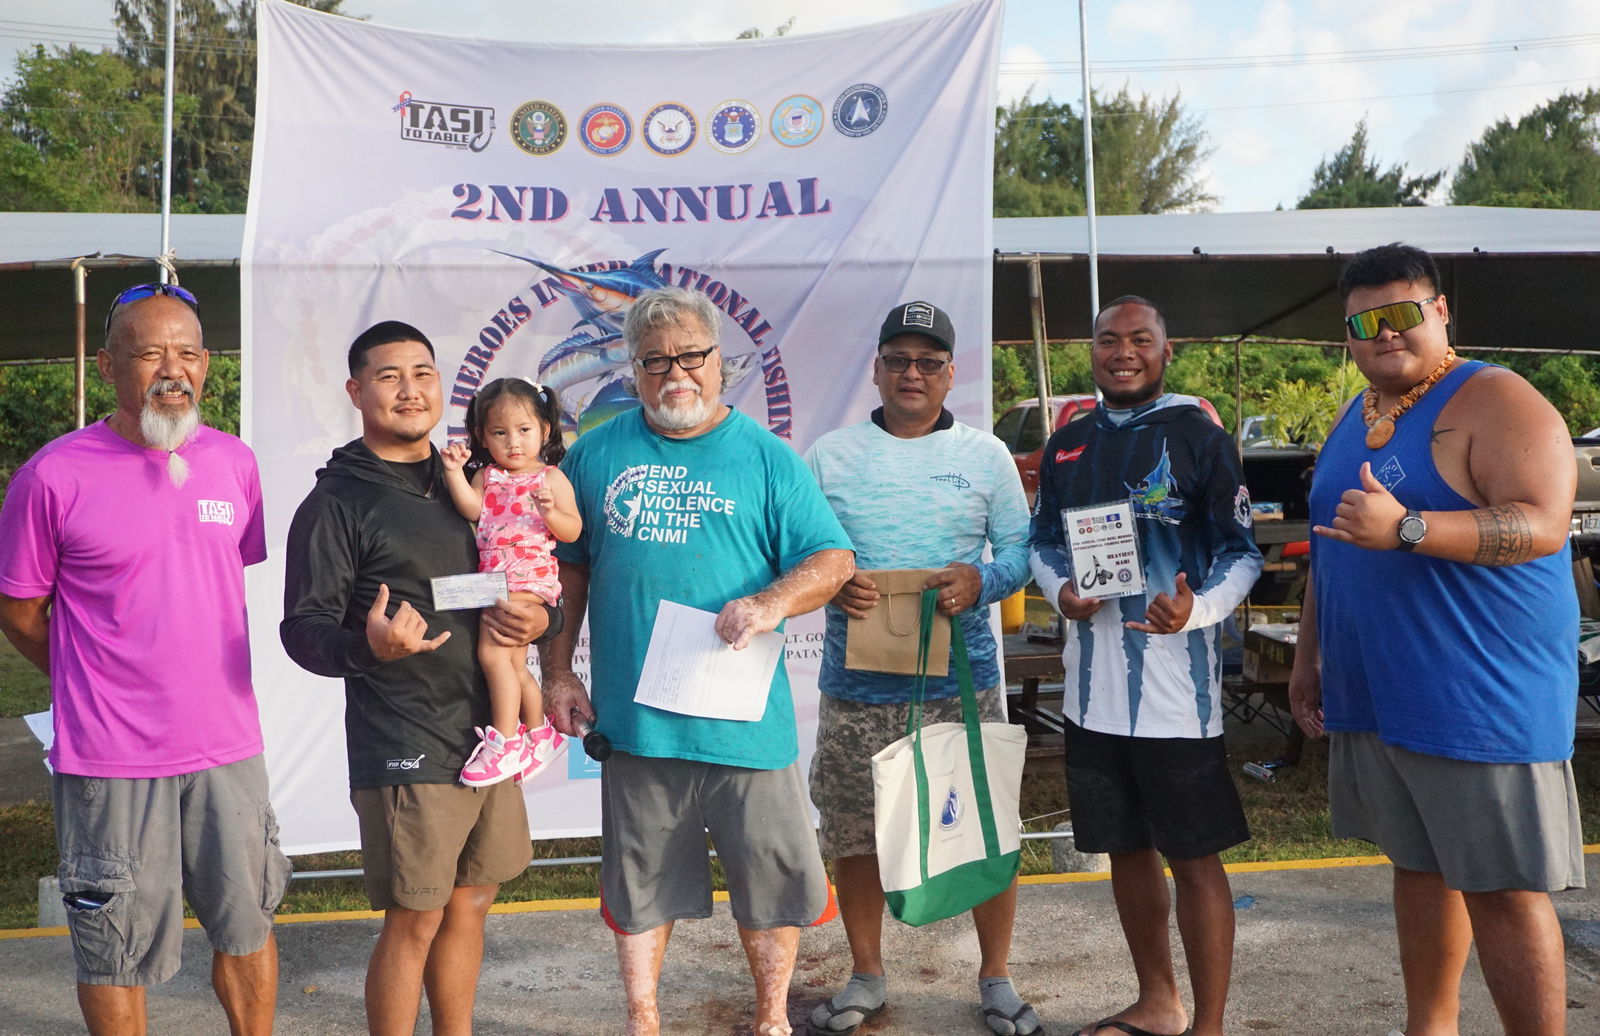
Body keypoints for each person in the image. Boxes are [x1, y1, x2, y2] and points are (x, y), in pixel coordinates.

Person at [538, 286, 855, 1036]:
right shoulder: (594, 455)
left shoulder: (769, 458)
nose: (675, 373)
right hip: (638, 724)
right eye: (654, 362)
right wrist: (555, 672)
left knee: (774, 883)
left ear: (720, 361)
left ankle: (772, 1018)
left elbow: (834, 560)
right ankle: (644, 1019)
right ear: (633, 371)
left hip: (745, 724)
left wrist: (772, 602)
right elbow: (568, 569)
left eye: (690, 356)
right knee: (640, 883)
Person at [1289, 242, 1583, 1036]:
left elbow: (1541, 524)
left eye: (1403, 313)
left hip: (1479, 692)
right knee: (1418, 867)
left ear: (1441, 312)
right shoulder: (1358, 415)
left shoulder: (1498, 399)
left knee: (1502, 888)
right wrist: (1308, 656)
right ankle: (1432, 1026)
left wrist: (1409, 527)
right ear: (1346, 334)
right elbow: (1332, 542)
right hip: (1382, 692)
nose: (1386, 334)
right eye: (1365, 322)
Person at [0, 283, 291, 1036]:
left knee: (248, 923)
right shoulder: (52, 477)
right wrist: (88, 680)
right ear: (108, 365)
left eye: (190, 352)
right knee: (113, 950)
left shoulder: (234, 465)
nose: (174, 368)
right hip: (111, 761)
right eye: (150, 352)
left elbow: (216, 582)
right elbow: (20, 609)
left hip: (227, 749)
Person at [280, 320, 551, 1035]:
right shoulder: (337, 503)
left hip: (488, 732)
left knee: (471, 900)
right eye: (390, 375)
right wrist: (370, 649)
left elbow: (523, 579)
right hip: (403, 735)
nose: (410, 389)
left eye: (423, 373)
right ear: (356, 390)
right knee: (418, 915)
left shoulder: (478, 481)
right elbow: (303, 631)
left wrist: (538, 624)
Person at [802, 300, 1039, 1036]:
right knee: (854, 830)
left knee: (984, 829)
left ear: (950, 374)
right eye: (899, 360)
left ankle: (996, 977)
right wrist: (834, 581)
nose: (913, 373)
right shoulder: (829, 455)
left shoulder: (986, 456)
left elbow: (1022, 554)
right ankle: (867, 974)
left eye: (929, 362)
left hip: (958, 680)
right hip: (855, 680)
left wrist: (982, 584)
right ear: (875, 369)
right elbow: (802, 554)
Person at [1028, 295, 1263, 1036]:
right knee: (1125, 851)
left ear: (1166, 353)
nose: (1121, 352)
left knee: (1193, 858)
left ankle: (1211, 1025)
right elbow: (1043, 543)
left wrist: (1194, 611)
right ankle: (1159, 1002)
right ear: (1090, 352)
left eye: (1139, 340)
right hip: (1091, 700)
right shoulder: (1069, 441)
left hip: (1176, 701)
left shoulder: (1199, 435)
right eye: (1106, 340)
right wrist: (1057, 590)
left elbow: (1242, 552)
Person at [441, 377, 582, 787]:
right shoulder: (487, 475)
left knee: (492, 656)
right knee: (515, 666)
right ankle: (539, 733)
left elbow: (572, 531)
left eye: (523, 430)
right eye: (500, 433)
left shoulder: (551, 478)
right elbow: (471, 508)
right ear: (483, 436)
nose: (513, 442)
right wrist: (453, 471)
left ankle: (504, 741)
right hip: (492, 580)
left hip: (527, 578)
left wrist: (551, 512)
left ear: (545, 429)